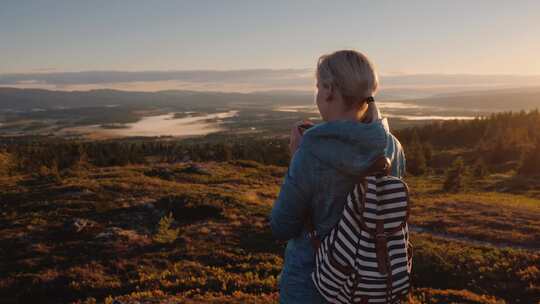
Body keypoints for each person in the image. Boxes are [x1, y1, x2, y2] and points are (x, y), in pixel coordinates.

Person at [269, 49, 406, 303]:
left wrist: (296, 157)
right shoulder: (392, 146)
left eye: (319, 86)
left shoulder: (310, 153)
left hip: (314, 286)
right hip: (372, 283)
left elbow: (281, 226)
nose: (318, 94)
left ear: (330, 90)